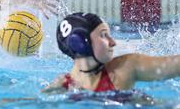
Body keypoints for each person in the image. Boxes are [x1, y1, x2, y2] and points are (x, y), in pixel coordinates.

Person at [43, 12, 180, 93]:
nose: (113, 42)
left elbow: (174, 65)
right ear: (81, 43)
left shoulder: (126, 67)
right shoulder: (61, 87)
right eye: (103, 35)